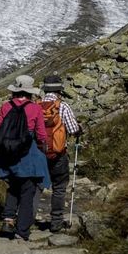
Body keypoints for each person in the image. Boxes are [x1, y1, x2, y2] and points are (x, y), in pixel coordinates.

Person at [0, 75, 51, 241]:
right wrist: (44, 152)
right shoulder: (35, 108)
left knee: (13, 187)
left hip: (7, 155)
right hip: (27, 155)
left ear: (15, 90)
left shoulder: (5, 107)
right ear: (30, 92)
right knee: (27, 192)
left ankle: (8, 222)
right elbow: (41, 135)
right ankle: (21, 231)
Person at [39, 74, 82, 232]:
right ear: (59, 90)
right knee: (59, 187)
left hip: (39, 153)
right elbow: (73, 129)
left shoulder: (36, 105)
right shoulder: (62, 106)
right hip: (58, 154)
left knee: (36, 187)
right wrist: (79, 130)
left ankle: (26, 220)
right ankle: (56, 221)